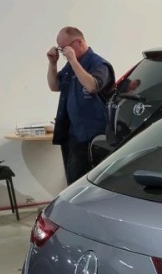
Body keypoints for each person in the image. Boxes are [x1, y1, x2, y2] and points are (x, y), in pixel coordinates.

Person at [46, 27, 114, 184]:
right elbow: (54, 86)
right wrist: (52, 63)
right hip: (73, 136)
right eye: (61, 49)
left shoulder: (99, 64)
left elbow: (92, 86)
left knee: (93, 184)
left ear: (79, 42)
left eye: (65, 48)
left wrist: (73, 61)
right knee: (74, 183)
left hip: (95, 138)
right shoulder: (71, 66)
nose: (64, 53)